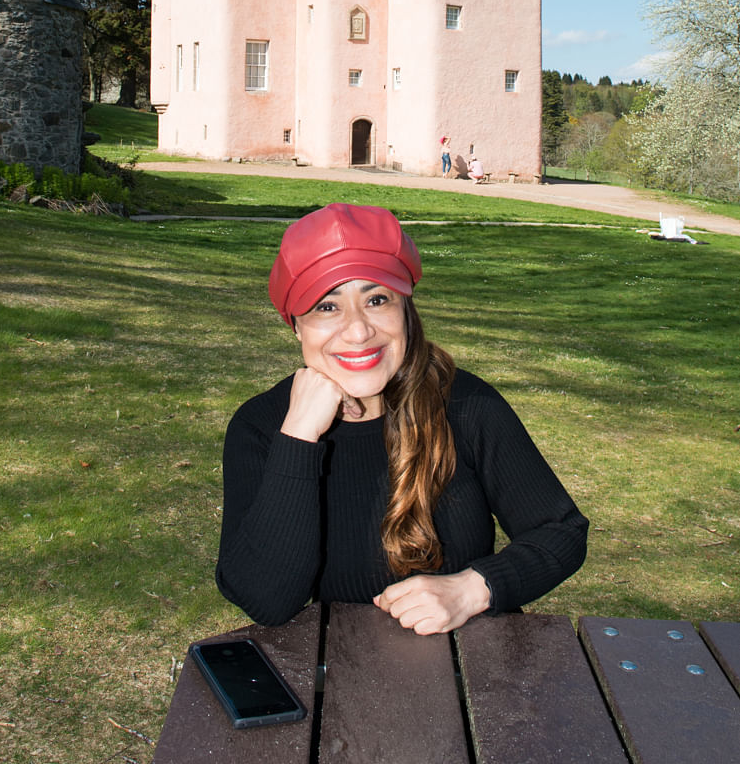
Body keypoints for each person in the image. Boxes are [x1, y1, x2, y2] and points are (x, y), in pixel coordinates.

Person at [216, 203, 588, 634]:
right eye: (326, 307)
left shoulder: (466, 406)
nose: (358, 331)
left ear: (405, 311)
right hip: (338, 672)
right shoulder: (261, 427)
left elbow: (561, 531)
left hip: (472, 669)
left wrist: (473, 589)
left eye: (377, 299)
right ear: (296, 326)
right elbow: (265, 601)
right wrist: (298, 438)